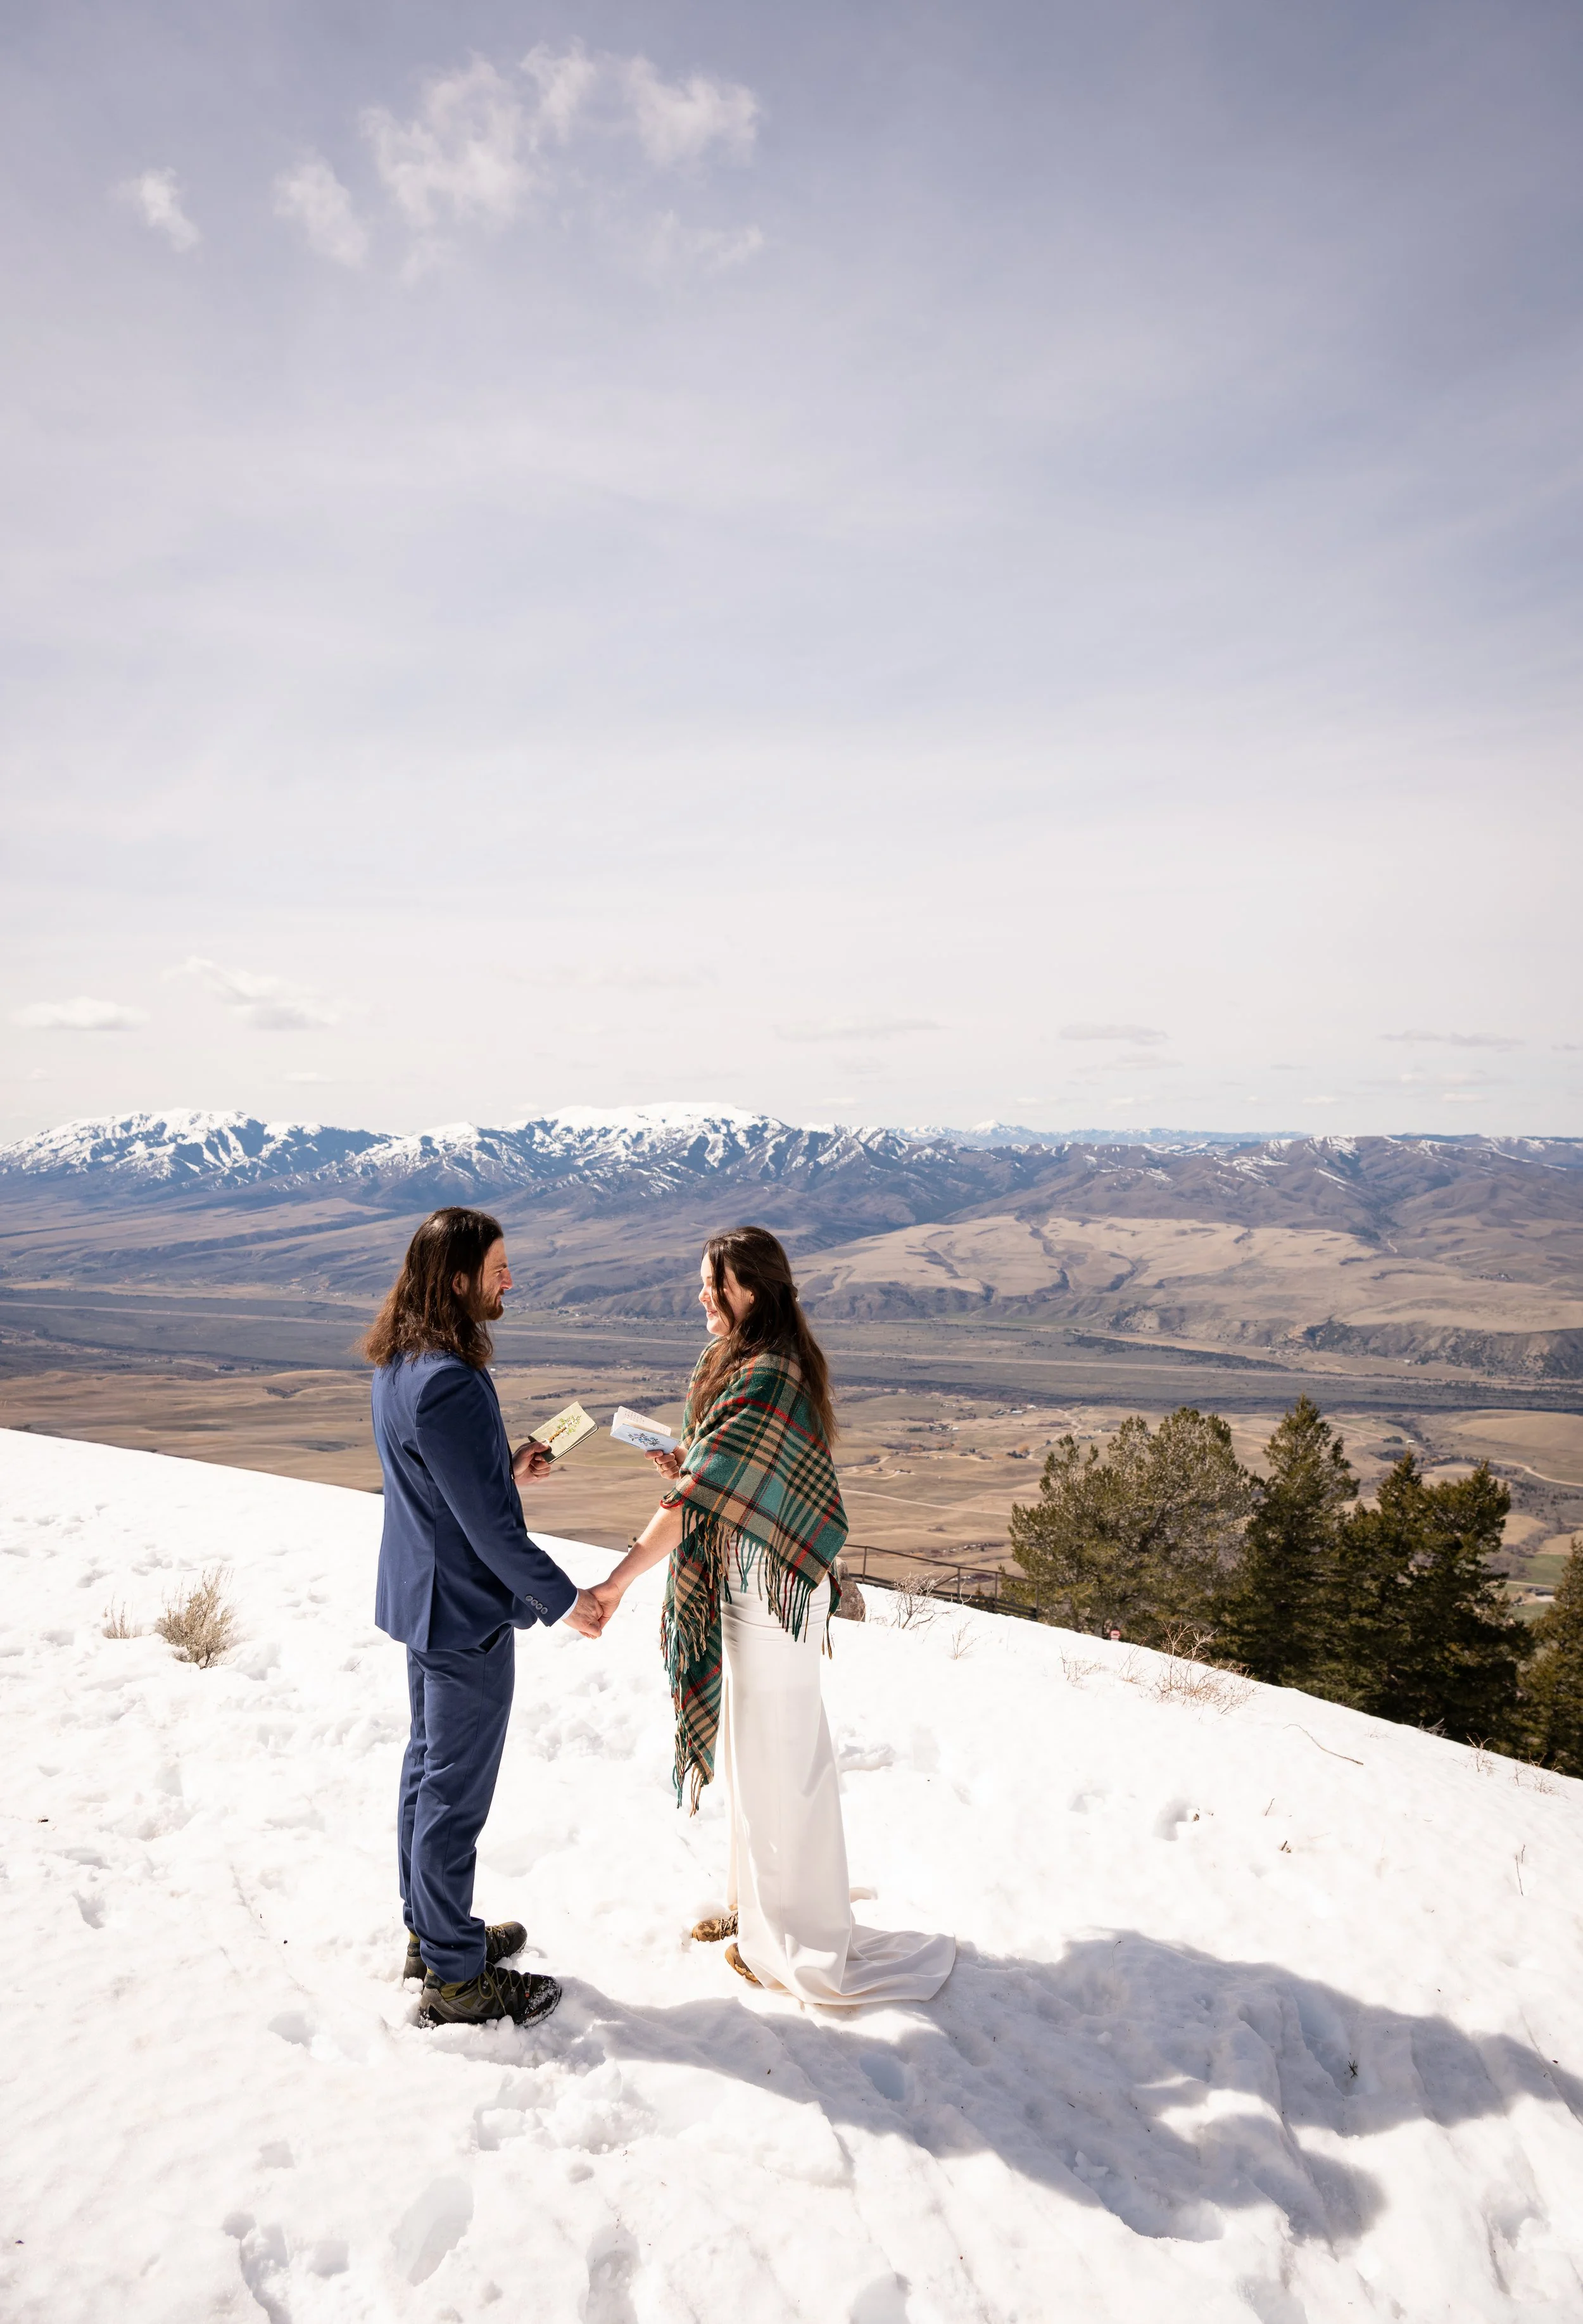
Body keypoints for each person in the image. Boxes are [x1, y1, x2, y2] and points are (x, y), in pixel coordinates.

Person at [591, 1226, 955, 2007]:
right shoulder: (736, 1359)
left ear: (750, 1287)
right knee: (759, 1759)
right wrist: (687, 1457)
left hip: (773, 1595)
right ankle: (756, 1911)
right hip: (746, 1583)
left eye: (712, 1284)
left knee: (782, 1766)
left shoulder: (771, 1373)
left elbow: (700, 1499)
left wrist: (617, 1581)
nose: (700, 1296)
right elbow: (713, 1470)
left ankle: (791, 1940)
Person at [365, 1206, 604, 2028]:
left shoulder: (401, 1366)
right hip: (462, 1612)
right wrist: (570, 1599)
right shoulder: (451, 1384)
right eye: (500, 1266)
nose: (511, 1279)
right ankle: (458, 1981)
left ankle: (430, 1935)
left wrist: (503, 1469)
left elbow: (447, 1492)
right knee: (453, 1797)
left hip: (424, 1597)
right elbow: (491, 1534)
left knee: (427, 1771)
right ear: (459, 1278)